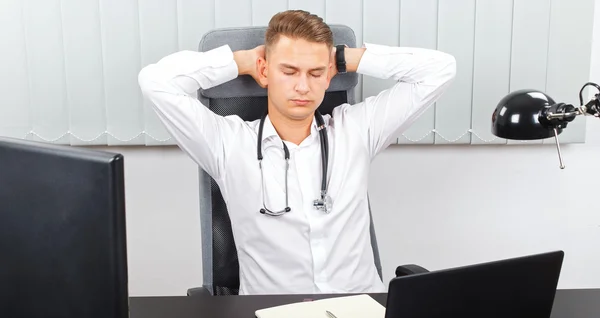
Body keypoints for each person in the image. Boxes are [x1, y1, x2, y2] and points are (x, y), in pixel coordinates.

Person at [138, 10, 456, 295]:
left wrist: (347, 58)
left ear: (329, 75)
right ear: (265, 72)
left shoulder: (356, 130)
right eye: (289, 71)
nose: (303, 87)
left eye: (315, 73)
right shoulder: (227, 144)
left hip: (362, 313)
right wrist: (243, 61)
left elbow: (440, 69)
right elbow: (156, 82)